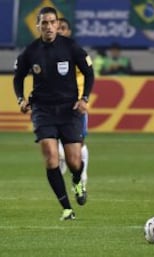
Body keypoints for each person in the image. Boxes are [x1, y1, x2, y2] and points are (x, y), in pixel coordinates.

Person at [13, 7, 94, 221]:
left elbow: (89, 72)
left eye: (52, 22)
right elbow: (18, 77)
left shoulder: (71, 47)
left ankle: (77, 180)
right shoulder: (30, 52)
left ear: (58, 25)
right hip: (42, 110)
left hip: (69, 110)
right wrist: (20, 99)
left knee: (74, 161)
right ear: (37, 26)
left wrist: (84, 98)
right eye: (44, 23)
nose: (49, 26)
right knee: (51, 158)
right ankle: (66, 208)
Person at [57, 17, 89, 188]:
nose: (60, 30)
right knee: (51, 138)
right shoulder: (45, 53)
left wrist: (83, 98)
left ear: (68, 32)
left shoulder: (76, 52)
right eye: (58, 27)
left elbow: (88, 74)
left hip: (75, 103)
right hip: (53, 104)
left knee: (79, 142)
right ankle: (61, 157)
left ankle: (82, 175)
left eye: (63, 27)